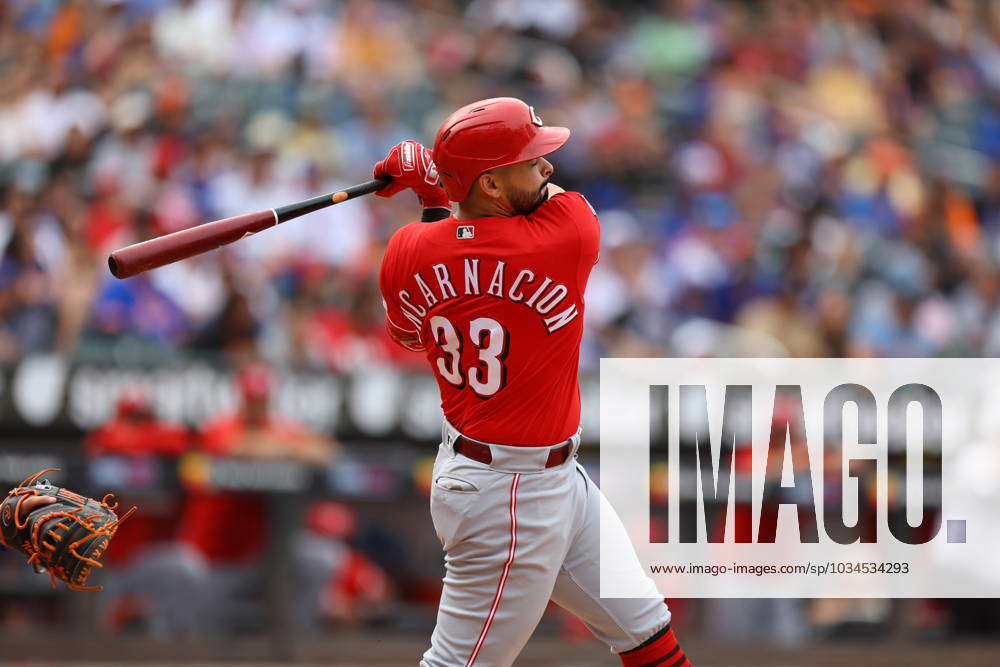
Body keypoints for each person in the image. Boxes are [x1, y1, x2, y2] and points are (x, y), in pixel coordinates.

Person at [376, 98, 691, 667]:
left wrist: (435, 196)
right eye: (530, 160)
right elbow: (542, 207)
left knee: (646, 627)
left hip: (539, 476)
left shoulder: (403, 250)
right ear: (493, 184)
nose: (546, 167)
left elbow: (412, 335)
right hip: (510, 493)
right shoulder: (563, 237)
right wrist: (437, 186)